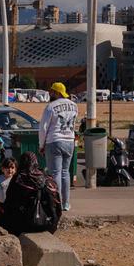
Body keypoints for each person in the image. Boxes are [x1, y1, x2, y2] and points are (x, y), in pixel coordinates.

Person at [39, 82, 78, 211]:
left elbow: (43, 128)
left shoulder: (51, 106)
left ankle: (57, 203)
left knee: (55, 173)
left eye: (52, 91)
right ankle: (66, 203)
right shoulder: (74, 106)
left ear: (57, 93)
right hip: (69, 140)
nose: (50, 94)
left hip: (54, 140)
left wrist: (41, 145)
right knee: (65, 172)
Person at [1, 152, 61, 235]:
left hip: (23, 225)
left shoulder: (19, 179)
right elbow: (57, 205)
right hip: (47, 224)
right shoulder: (47, 178)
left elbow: (9, 202)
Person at [0, 157, 17, 222]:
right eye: (7, 168)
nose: (10, 170)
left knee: (9, 221)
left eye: (12, 168)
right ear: (2, 169)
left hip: (11, 205)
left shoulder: (15, 180)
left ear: (15, 170)